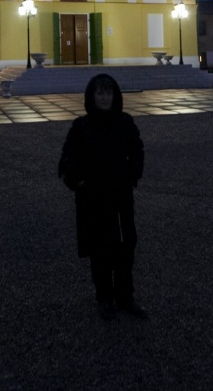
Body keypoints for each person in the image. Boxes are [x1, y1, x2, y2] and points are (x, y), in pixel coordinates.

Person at [58, 73, 147, 320]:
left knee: (126, 247)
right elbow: (67, 158)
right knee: (100, 251)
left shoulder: (125, 122)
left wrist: (133, 173)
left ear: (115, 95)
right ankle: (105, 298)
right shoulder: (81, 127)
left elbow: (137, 149)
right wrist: (80, 182)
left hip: (120, 197)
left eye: (108, 93)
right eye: (100, 93)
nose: (105, 97)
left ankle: (126, 297)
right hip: (94, 200)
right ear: (92, 96)